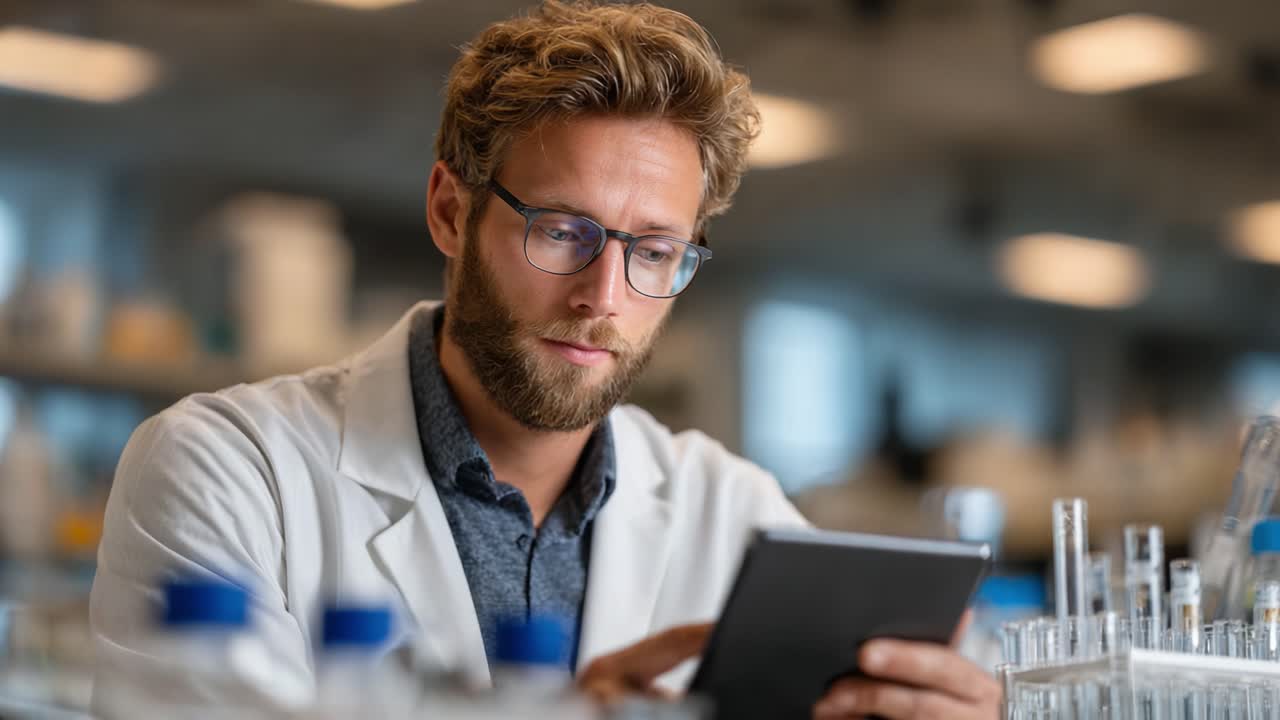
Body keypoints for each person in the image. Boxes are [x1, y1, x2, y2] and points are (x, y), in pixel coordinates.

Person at [89, 1, 1001, 717]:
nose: (603, 297)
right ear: (451, 211)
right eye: (563, 232)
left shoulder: (734, 514)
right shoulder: (226, 470)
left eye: (652, 253)